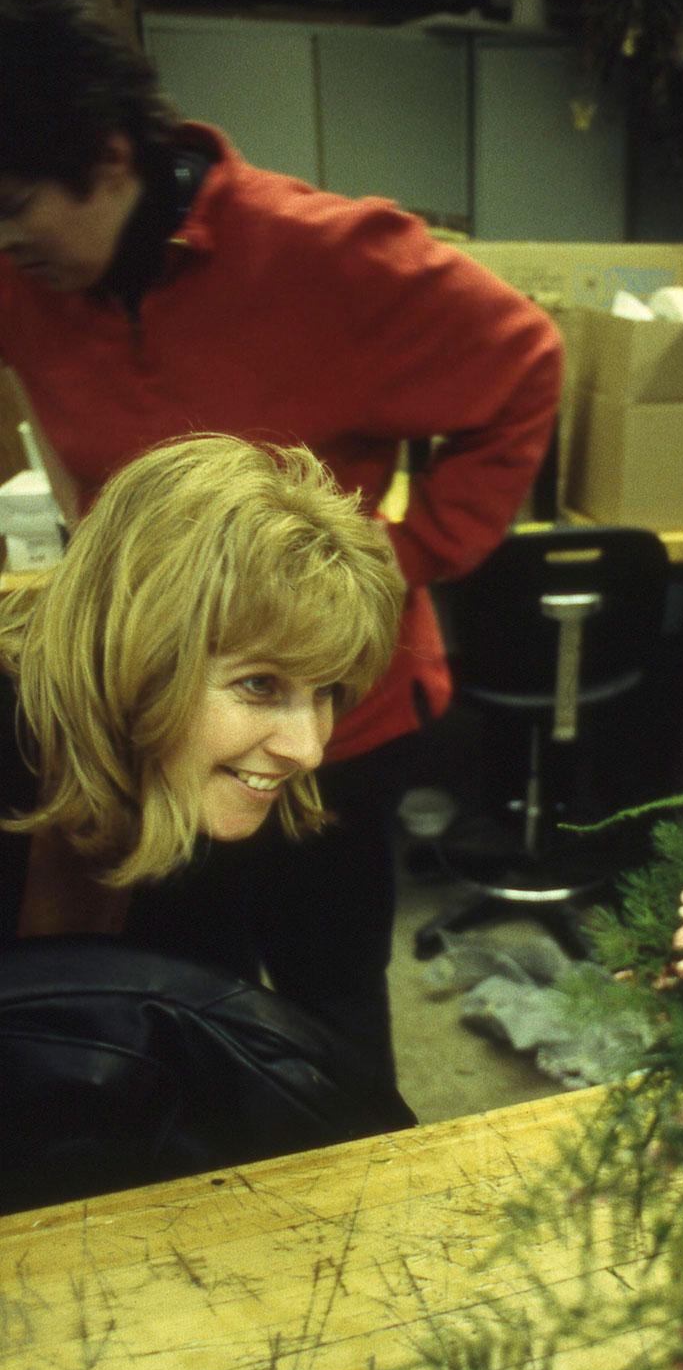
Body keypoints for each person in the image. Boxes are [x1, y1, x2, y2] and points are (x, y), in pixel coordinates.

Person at [0, 0, 563, 1081]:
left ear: (108, 156)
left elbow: (526, 364)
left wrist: (392, 559)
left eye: (15, 206)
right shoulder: (33, 275)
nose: (5, 240)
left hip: (330, 720)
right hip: (150, 720)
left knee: (327, 1005)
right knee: (167, 994)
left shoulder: (326, 260)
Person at [0, 433, 407, 1043]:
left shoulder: (256, 798)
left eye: (325, 691)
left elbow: (337, 1041)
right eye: (259, 685)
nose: (308, 751)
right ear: (138, 651)